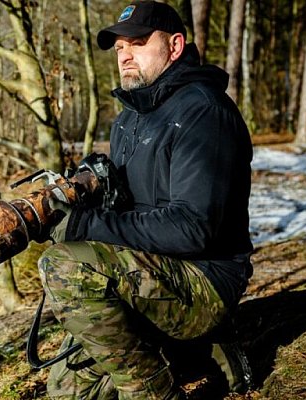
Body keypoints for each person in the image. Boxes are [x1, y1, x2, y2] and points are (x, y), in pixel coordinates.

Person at [38, 1, 254, 399]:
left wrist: (86, 227)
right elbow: (129, 205)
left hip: (204, 279)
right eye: (119, 48)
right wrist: (87, 195)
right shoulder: (130, 117)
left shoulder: (203, 113)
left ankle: (158, 388)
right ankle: (189, 353)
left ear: (174, 46)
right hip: (151, 269)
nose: (125, 56)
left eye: (137, 43)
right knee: (68, 390)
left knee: (64, 266)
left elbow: (193, 228)